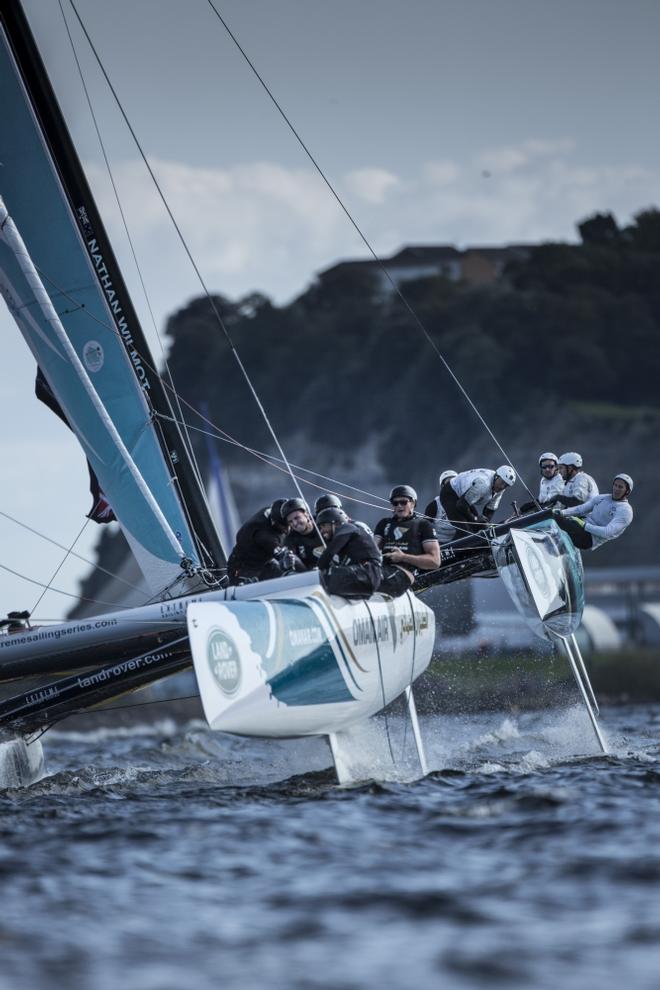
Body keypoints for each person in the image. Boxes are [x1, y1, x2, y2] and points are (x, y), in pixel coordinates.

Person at [374, 486, 440, 597]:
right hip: (382, 570)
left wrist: (403, 557)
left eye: (403, 502)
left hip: (404, 574)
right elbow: (372, 549)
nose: (399, 506)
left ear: (413, 503)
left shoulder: (423, 525)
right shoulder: (384, 523)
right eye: (395, 503)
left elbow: (435, 561)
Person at [555, 474, 634, 550]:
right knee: (554, 515)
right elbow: (580, 509)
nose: (616, 489)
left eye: (620, 487)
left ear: (627, 491)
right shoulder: (602, 498)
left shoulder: (625, 510)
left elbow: (607, 532)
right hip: (581, 527)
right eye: (615, 485)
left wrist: (584, 525)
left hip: (589, 539)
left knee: (557, 521)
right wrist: (561, 512)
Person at [316, 507, 382, 598]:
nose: (321, 531)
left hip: (367, 573)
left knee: (323, 578)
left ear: (334, 523)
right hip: (366, 575)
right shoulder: (347, 538)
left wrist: (317, 570)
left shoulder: (347, 527)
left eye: (323, 526)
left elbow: (329, 553)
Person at [226, 498, 291, 584]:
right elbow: (282, 556)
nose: (287, 529)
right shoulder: (263, 535)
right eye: (284, 526)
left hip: (266, 564)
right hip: (244, 569)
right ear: (274, 522)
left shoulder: (275, 511)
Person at [440, 466, 517, 532]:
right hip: (450, 494)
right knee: (466, 531)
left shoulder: (500, 488)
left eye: (506, 485)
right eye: (502, 483)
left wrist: (484, 525)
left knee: (479, 526)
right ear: (497, 476)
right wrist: (475, 519)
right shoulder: (483, 484)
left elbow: (490, 510)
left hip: (464, 498)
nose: (502, 487)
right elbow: (461, 505)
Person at [282, 497, 324, 570]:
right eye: (290, 522)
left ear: (307, 514)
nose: (294, 523)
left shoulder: (323, 522)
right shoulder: (290, 539)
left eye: (297, 518)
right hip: (311, 575)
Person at [424, 470, 458, 543]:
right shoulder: (434, 505)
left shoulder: (464, 502)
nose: (452, 486)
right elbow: (424, 527)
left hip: (459, 541)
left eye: (454, 482)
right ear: (443, 486)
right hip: (439, 543)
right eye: (449, 483)